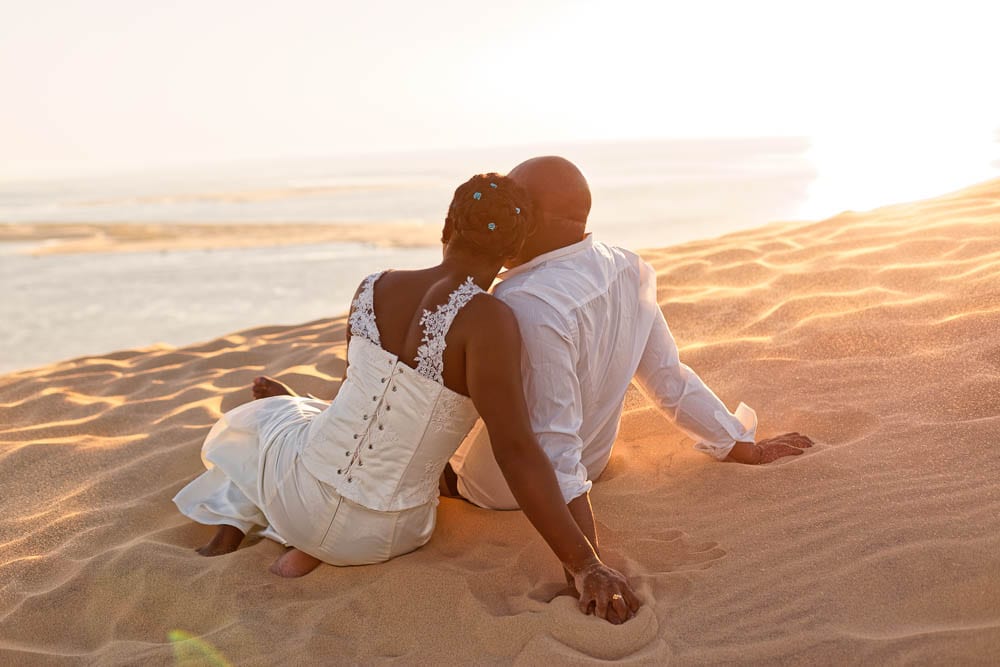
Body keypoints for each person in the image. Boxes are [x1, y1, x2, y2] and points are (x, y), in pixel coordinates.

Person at [173, 173, 641, 625]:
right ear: (514, 251)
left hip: (298, 500)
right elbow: (518, 452)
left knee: (268, 420)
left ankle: (243, 528)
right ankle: (310, 544)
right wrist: (586, 565)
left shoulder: (373, 285)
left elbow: (361, 400)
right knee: (326, 426)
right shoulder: (492, 322)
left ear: (446, 227)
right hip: (388, 535)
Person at [444, 157, 813, 565]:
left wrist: (586, 565)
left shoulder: (525, 303)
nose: (504, 219)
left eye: (516, 210)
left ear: (533, 222)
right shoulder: (629, 267)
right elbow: (669, 378)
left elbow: (555, 447)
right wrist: (738, 444)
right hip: (593, 465)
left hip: (503, 490)